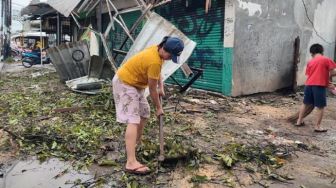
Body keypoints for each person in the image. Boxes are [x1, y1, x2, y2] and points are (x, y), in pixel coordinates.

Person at [112, 36, 184, 174]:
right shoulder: (154, 60)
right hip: (125, 83)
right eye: (171, 56)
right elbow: (151, 90)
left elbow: (157, 73)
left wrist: (161, 86)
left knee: (144, 113)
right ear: (164, 49)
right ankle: (130, 162)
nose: (170, 58)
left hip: (136, 84)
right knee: (133, 119)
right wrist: (159, 108)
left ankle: (134, 143)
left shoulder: (157, 50)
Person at [296, 43, 336, 132]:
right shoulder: (326, 59)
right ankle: (317, 127)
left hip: (308, 84)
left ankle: (299, 121)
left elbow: (309, 74)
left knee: (305, 103)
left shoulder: (310, 61)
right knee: (320, 107)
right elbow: (333, 72)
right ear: (322, 51)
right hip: (319, 85)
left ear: (312, 53)